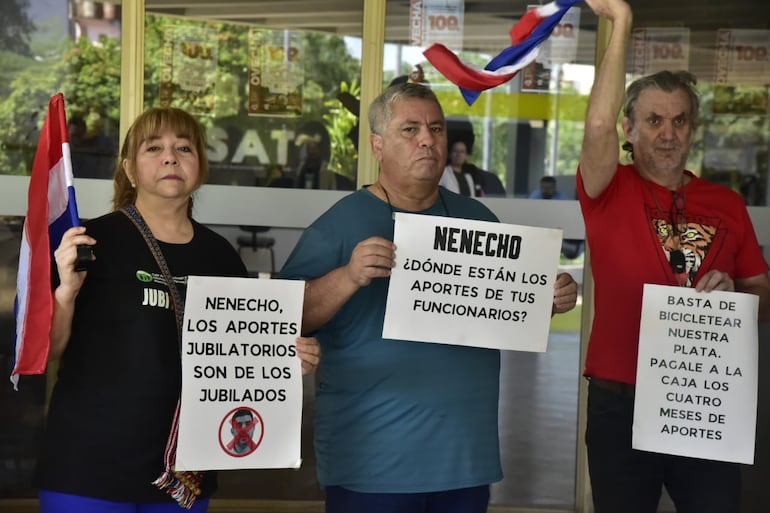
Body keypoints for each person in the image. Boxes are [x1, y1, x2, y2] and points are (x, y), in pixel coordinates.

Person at [280, 82, 578, 513]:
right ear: (377, 144)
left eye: (436, 129)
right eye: (410, 129)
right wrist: (347, 276)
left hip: (464, 459)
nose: (427, 139)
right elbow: (285, 317)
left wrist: (547, 299)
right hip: (373, 463)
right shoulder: (341, 224)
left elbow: (505, 309)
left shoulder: (477, 218)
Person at [35, 107, 321, 513]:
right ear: (130, 169)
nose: (171, 157)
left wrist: (285, 357)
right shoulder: (88, 242)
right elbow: (47, 350)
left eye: (183, 147)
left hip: (182, 469)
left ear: (200, 166)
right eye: (154, 148)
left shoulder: (220, 256)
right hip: (87, 464)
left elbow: (242, 354)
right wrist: (65, 292)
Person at [577, 1, 770, 512]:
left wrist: (740, 296)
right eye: (655, 120)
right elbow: (595, 128)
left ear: (692, 128)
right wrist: (621, 22)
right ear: (630, 129)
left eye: (680, 121)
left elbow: (762, 293)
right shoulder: (607, 189)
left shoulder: (726, 203)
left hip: (703, 399)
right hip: (623, 400)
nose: (668, 133)